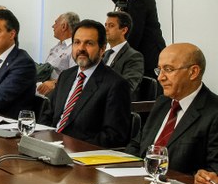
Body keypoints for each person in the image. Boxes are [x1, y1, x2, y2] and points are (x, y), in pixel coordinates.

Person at [125, 43, 218, 175]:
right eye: (159, 70)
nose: (160, 78)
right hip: (139, 179)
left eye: (168, 69)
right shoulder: (162, 102)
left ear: (193, 72)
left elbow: (213, 172)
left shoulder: (214, 112)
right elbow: (137, 144)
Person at [39, 19, 131, 148]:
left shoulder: (116, 85)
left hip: (81, 153)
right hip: (51, 147)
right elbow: (48, 115)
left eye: (89, 43)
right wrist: (43, 140)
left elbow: (114, 136)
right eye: (77, 42)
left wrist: (71, 145)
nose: (81, 48)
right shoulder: (66, 76)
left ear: (102, 49)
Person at [103, 0, 166, 77]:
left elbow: (135, 32)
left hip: (148, 56)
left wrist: (123, 56)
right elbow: (125, 5)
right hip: (150, 52)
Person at [36, 12, 79, 96]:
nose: (53, 26)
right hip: (43, 88)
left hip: (58, 92)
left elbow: (75, 75)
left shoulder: (74, 48)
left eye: (56, 23)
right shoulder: (57, 46)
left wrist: (54, 83)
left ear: (64, 26)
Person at [104, 11, 144, 95]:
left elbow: (127, 87)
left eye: (111, 26)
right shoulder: (104, 54)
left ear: (123, 30)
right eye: (106, 25)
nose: (106, 29)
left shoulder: (134, 56)